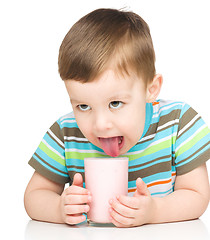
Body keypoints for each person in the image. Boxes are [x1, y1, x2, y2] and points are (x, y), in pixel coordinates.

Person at [24, 8, 210, 228]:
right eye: (83, 106)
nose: (101, 125)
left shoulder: (177, 123)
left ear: (151, 89)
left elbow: (197, 195)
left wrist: (155, 211)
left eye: (115, 103)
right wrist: (58, 207)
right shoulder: (66, 133)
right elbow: (34, 196)